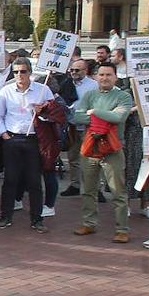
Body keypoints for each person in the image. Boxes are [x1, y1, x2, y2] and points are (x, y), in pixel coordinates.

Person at [71, 61, 134, 243]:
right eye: (101, 74)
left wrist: (94, 112)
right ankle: (88, 223)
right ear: (96, 76)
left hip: (112, 149)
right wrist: (103, 115)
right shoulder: (90, 94)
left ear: (115, 77)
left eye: (108, 75)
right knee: (88, 189)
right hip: (90, 148)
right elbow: (77, 116)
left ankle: (122, 229)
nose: (105, 78)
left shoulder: (123, 96)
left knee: (117, 191)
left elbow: (119, 116)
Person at [0, 57, 53, 232]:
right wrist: (4, 134)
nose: (19, 75)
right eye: (16, 71)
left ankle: (37, 219)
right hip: (12, 138)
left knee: (34, 181)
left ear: (30, 72)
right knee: (10, 180)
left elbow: (54, 115)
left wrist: (42, 112)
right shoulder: (6, 91)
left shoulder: (43, 90)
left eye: (23, 71)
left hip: (34, 140)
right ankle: (5, 216)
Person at [59, 59, 98, 197]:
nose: (74, 73)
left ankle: (94, 188)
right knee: (73, 157)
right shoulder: (66, 84)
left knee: (91, 158)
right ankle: (75, 184)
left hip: (89, 126)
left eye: (77, 70)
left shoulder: (94, 85)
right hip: (72, 126)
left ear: (85, 71)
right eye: (72, 70)